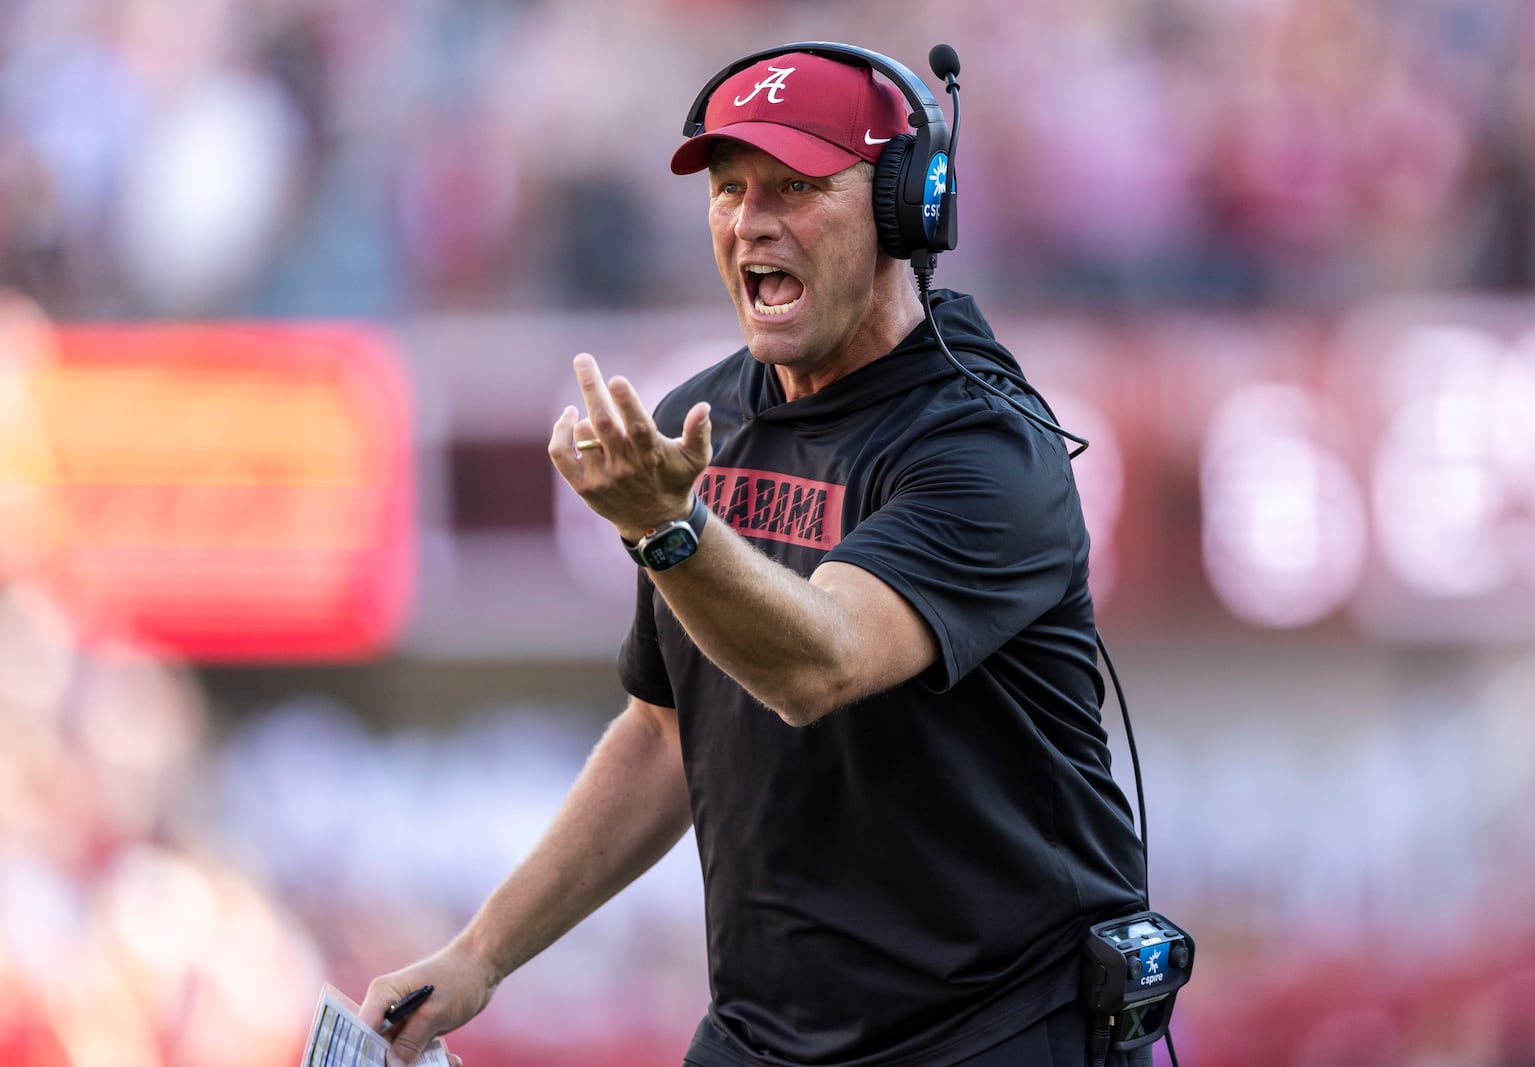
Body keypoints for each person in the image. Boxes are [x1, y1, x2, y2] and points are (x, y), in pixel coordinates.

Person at [359, 44, 1150, 1067]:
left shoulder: (986, 447)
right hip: (764, 1036)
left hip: (994, 1029)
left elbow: (815, 666)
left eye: (796, 186)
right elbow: (663, 734)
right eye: (729, 189)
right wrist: (479, 956)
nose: (750, 220)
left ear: (907, 210)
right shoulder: (701, 421)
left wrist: (668, 532)